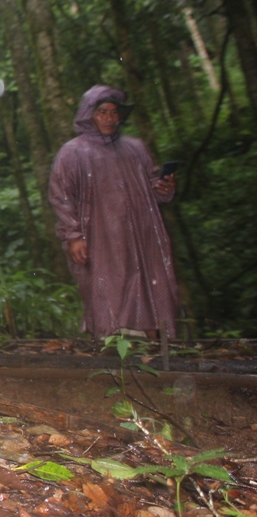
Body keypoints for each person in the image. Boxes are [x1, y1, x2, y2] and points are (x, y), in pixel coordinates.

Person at [49, 84, 179, 339]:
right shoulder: (73, 152)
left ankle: (156, 350)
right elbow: (61, 195)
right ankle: (115, 350)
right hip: (101, 236)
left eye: (114, 112)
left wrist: (164, 187)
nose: (109, 118)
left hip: (144, 234)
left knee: (151, 286)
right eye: (102, 112)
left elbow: (153, 187)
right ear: (89, 115)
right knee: (108, 287)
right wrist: (73, 236)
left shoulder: (135, 148)